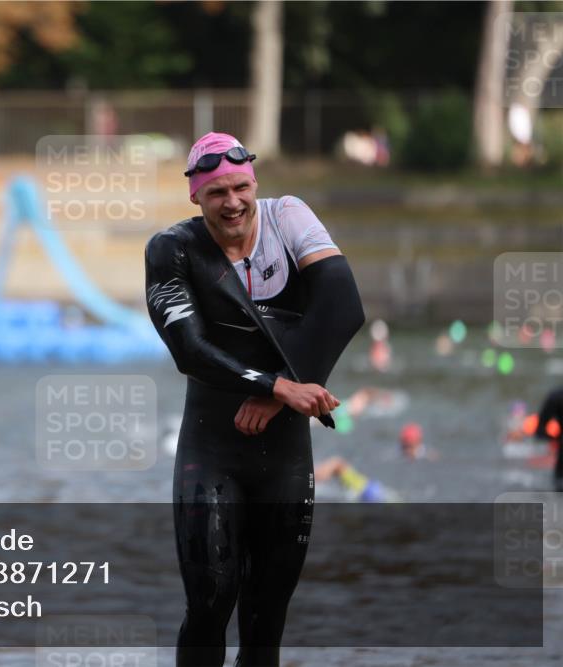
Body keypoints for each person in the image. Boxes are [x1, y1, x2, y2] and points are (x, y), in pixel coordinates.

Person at [145, 132, 364, 667]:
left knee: (266, 621)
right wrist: (275, 385)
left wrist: (278, 399)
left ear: (255, 181)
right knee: (211, 601)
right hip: (212, 450)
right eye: (216, 192)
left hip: (284, 455)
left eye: (240, 187)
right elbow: (190, 351)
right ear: (195, 196)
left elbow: (344, 308)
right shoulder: (172, 249)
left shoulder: (288, 217)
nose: (233, 202)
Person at [533, 386, 563, 491]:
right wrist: (555, 439)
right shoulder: (556, 398)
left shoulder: (555, 397)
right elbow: (539, 430)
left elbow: (539, 431)